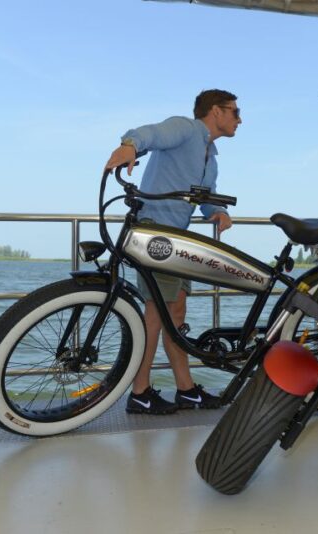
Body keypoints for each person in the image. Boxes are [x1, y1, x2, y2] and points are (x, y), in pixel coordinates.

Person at [104, 89, 241, 415]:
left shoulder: (211, 154)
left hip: (177, 237)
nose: (239, 119)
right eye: (235, 112)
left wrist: (215, 212)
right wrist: (129, 145)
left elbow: (205, 196)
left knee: (175, 314)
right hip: (157, 232)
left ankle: (186, 389)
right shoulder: (186, 128)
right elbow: (151, 134)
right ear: (215, 111)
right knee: (156, 316)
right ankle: (140, 392)